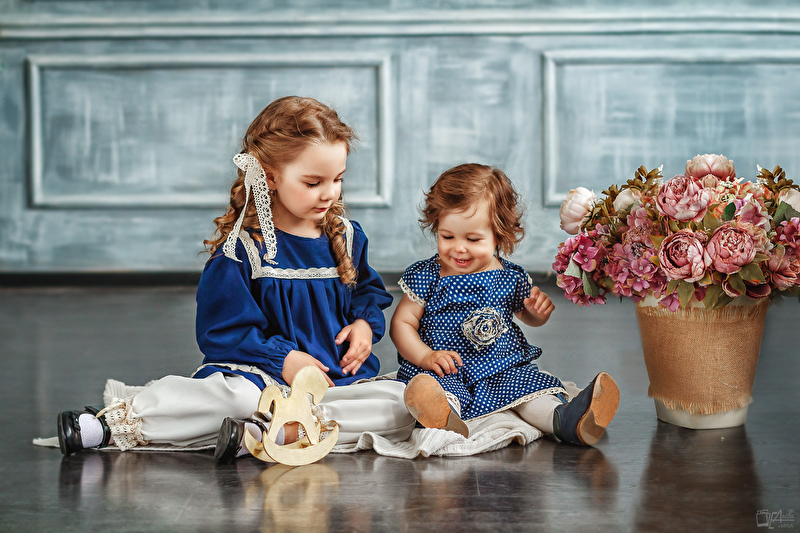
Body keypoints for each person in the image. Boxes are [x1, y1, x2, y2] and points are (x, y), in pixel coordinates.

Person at [56, 96, 415, 462]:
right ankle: (107, 425)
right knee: (237, 399)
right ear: (270, 176)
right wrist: (282, 359)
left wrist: (364, 325)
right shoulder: (242, 250)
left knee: (398, 403)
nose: (330, 193)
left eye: (338, 179)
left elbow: (367, 293)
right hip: (261, 376)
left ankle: (273, 431)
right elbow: (222, 332)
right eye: (313, 182)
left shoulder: (348, 237)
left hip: (334, 380)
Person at [390, 163, 620, 446]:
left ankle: (565, 420)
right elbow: (402, 323)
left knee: (529, 390)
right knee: (434, 390)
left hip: (501, 367)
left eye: (473, 239)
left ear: (499, 235)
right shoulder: (427, 275)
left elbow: (526, 314)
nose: (458, 247)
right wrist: (425, 356)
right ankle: (442, 417)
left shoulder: (510, 276)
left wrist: (536, 314)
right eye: (447, 236)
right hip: (444, 368)